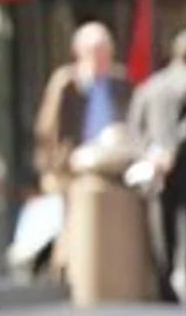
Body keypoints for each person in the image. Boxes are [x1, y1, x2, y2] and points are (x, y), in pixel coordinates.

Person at [34, 21, 132, 277]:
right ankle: (67, 272)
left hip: (113, 163)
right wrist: (51, 166)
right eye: (93, 52)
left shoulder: (120, 82)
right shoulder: (67, 82)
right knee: (73, 222)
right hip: (73, 166)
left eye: (104, 52)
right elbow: (48, 128)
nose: (100, 59)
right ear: (79, 53)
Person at [128, 29, 186, 304]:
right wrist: (172, 151)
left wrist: (153, 153)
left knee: (162, 230)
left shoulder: (149, 86)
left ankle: (165, 288)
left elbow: (135, 127)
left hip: (158, 169)